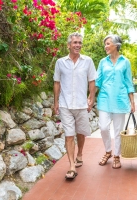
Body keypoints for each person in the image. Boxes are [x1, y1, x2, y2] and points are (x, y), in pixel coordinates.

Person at [53, 32, 97, 179]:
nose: (78, 45)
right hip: (65, 105)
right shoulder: (60, 62)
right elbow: (57, 82)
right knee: (69, 135)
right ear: (69, 45)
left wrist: (91, 98)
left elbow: (92, 81)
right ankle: (71, 166)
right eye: (75, 42)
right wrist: (56, 102)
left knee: (81, 133)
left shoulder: (88, 61)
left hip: (81, 104)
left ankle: (80, 153)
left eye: (79, 42)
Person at [95, 34, 135, 169]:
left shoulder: (125, 62)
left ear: (116, 45)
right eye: (105, 44)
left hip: (120, 100)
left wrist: (132, 102)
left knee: (118, 131)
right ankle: (108, 151)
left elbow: (129, 82)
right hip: (105, 100)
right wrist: (90, 97)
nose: (105, 46)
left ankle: (117, 155)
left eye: (108, 43)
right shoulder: (102, 62)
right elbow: (98, 81)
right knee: (103, 127)